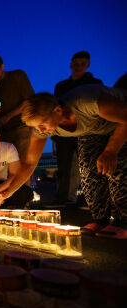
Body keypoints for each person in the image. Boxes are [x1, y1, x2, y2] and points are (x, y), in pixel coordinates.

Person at [3, 86, 127, 238]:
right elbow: (29, 163)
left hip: (121, 124)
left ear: (57, 110)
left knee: (119, 169)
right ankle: (100, 219)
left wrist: (110, 151)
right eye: (35, 127)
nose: (40, 130)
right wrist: (8, 192)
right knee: (88, 172)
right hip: (93, 131)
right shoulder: (40, 130)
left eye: (42, 124)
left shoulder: (87, 102)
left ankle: (123, 221)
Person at [49, 51, 103, 208]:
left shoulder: (95, 83)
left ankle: (91, 200)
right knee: (63, 166)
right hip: (65, 133)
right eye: (76, 64)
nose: (78, 67)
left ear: (87, 65)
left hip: (88, 130)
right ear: (71, 65)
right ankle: (63, 198)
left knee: (89, 166)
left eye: (82, 64)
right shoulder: (61, 86)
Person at [0, 54, 34, 160]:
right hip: (5, 131)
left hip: (21, 127)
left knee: (21, 162)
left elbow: (29, 101)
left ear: (2, 66)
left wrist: (8, 116)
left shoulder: (17, 76)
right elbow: (0, 102)